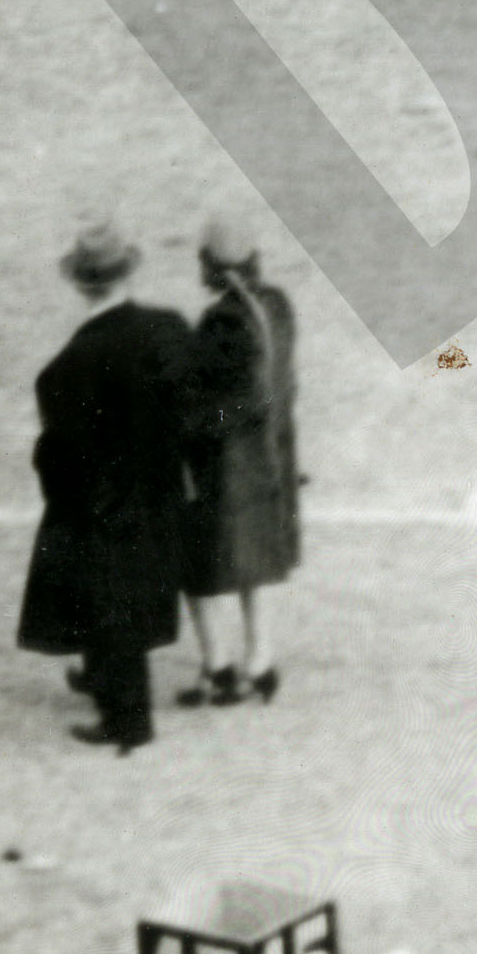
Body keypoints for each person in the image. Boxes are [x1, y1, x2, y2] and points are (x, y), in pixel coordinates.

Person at [20, 225, 199, 751]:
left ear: (81, 284)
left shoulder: (73, 363)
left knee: (106, 600)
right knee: (129, 597)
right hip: (161, 490)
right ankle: (102, 681)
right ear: (127, 272)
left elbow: (60, 452)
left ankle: (127, 722)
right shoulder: (168, 327)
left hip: (105, 501)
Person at [179, 215, 305, 709]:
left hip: (226, 467)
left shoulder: (220, 323)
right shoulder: (278, 306)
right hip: (270, 458)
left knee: (192, 563)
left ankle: (217, 667)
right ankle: (260, 660)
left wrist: (184, 424)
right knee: (257, 561)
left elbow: (226, 403)